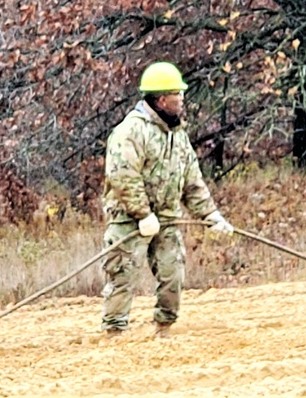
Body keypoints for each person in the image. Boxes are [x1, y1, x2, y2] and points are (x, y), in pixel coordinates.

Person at [100, 61, 234, 338]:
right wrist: (142, 214)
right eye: (178, 95)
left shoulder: (178, 135)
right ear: (162, 100)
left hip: (167, 218)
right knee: (122, 275)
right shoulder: (130, 131)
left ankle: (164, 330)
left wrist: (211, 215)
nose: (182, 99)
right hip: (129, 220)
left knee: (173, 274)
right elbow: (123, 176)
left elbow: (192, 180)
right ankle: (113, 335)